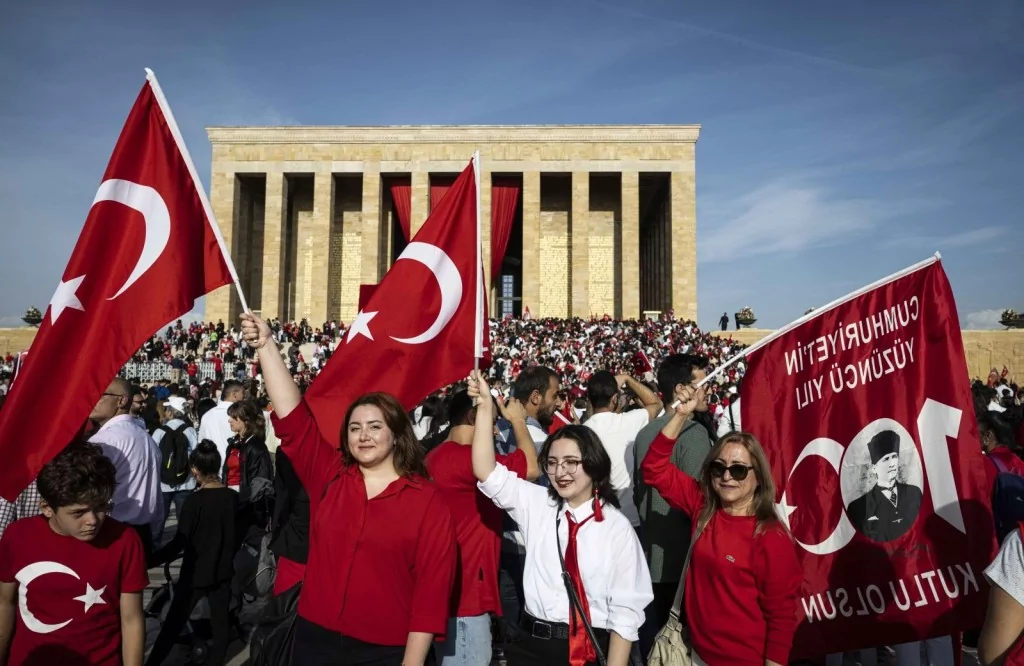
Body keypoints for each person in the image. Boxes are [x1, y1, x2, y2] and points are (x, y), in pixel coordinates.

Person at [240, 311, 457, 666]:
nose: (364, 435)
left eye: (374, 426)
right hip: (313, 640)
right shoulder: (330, 476)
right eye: (355, 428)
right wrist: (266, 346)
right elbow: (295, 423)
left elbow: (431, 596)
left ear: (396, 433)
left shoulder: (427, 501)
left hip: (386, 651)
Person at [468, 371, 653, 666]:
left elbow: (626, 614)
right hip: (533, 647)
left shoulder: (617, 528)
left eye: (571, 462)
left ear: (593, 464)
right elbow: (485, 470)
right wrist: (484, 406)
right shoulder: (537, 503)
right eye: (552, 463)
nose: (560, 472)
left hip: (590, 650)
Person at [640, 385, 802, 666]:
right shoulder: (703, 506)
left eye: (738, 469)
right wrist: (680, 415)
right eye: (719, 467)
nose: (727, 476)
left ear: (758, 476)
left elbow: (781, 619)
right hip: (696, 655)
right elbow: (653, 468)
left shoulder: (770, 536)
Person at [0, 442, 148, 666]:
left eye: (100, 507)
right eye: (78, 512)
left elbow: (132, 619)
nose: (92, 520)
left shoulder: (125, 540)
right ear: (47, 508)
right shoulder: (17, 536)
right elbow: (5, 604)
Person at [426, 389, 540, 665]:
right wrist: (518, 421)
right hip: (467, 598)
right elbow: (532, 468)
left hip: (452, 590)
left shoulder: (434, 456)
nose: (495, 430)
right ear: (472, 416)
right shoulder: (469, 462)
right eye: (490, 420)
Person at [631, 353, 711, 656]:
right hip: (685, 564)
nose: (707, 390)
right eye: (701, 383)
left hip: (653, 558)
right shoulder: (694, 433)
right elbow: (701, 503)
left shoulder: (643, 434)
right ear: (681, 390)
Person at [146, 440, 238, 666]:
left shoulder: (194, 502)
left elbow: (179, 542)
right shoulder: (233, 499)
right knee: (220, 624)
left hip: (195, 572)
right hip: (223, 570)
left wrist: (149, 560)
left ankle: (153, 662)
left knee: (173, 624)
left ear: (195, 470)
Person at [89, 377, 165, 557]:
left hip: (111, 531)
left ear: (121, 400)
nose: (93, 400)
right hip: (141, 531)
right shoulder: (146, 438)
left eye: (101, 395)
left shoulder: (105, 440)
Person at [583, 370, 661, 531]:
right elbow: (656, 404)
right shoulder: (629, 421)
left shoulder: (581, 432)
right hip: (630, 518)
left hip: (596, 519)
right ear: (614, 399)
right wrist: (627, 378)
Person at [845, 430, 922, 543]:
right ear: (874, 468)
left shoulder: (914, 493)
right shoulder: (859, 507)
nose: (892, 464)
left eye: (894, 457)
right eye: (886, 459)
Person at [153, 396, 198, 546]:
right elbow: (195, 455)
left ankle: (156, 545)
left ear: (171, 413)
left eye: (167, 409)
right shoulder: (189, 430)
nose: (165, 411)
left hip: (162, 482)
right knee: (184, 518)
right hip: (186, 482)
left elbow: (154, 456)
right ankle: (183, 545)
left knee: (160, 518)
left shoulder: (159, 431)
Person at [198, 379, 245, 467]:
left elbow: (201, 442)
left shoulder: (207, 415)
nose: (244, 397)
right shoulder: (240, 416)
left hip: (212, 467)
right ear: (234, 394)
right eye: (242, 393)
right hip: (234, 469)